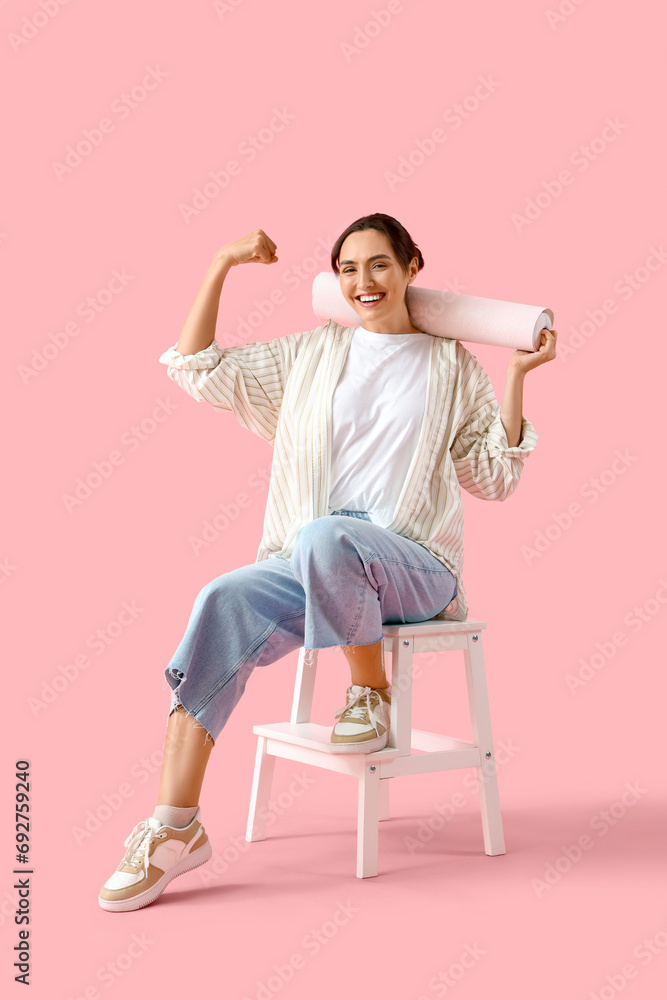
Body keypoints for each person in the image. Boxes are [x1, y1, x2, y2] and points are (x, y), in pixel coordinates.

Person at [98, 213, 557, 911]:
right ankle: (173, 830)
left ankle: (369, 693)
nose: (361, 282)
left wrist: (517, 376)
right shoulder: (311, 354)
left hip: (414, 567)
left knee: (324, 538)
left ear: (411, 267)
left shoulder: (452, 365)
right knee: (222, 595)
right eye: (347, 268)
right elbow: (200, 367)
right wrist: (222, 261)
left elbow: (494, 478)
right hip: (313, 557)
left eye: (377, 265)